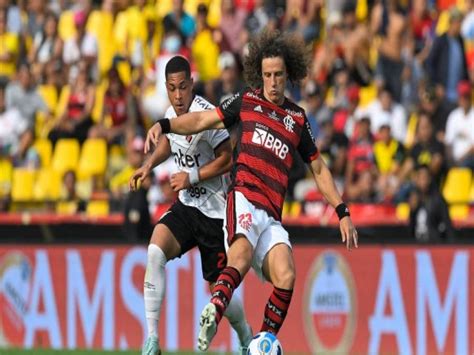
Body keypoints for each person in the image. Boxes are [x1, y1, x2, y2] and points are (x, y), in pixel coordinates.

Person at [144, 31, 358, 351]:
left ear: (289, 75)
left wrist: (342, 211)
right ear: (260, 75)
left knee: (286, 275)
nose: (273, 82)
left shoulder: (297, 119)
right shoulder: (246, 100)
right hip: (242, 197)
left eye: (279, 75)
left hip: (271, 214)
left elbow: (318, 168)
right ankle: (215, 312)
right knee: (240, 256)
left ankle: (259, 343)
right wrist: (166, 124)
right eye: (267, 75)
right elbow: (203, 120)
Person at [129, 56, 252, 355]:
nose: (178, 95)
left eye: (183, 87)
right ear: (167, 89)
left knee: (217, 291)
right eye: (172, 88)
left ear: (191, 85)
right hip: (187, 207)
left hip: (214, 215)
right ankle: (152, 341)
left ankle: (245, 334)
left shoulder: (207, 115)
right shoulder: (172, 114)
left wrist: (192, 176)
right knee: (155, 249)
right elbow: (170, 142)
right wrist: (148, 166)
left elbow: (227, 159)